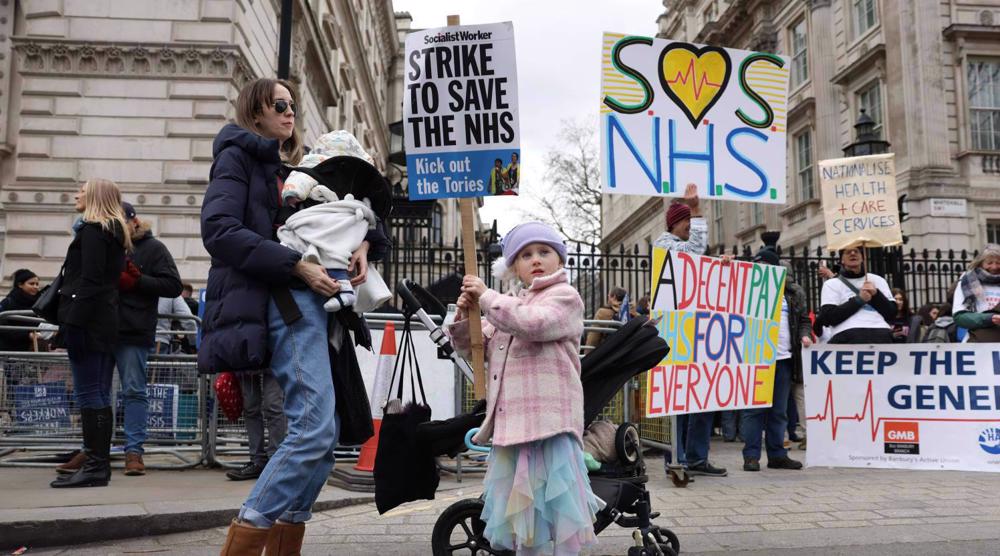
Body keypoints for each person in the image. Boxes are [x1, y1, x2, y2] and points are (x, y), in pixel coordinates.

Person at [202, 78, 388, 554]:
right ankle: (245, 538)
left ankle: (285, 542)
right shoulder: (238, 158)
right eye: (279, 105)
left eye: (292, 106)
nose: (289, 113)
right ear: (255, 112)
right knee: (313, 430)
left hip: (323, 309)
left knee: (324, 442)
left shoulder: (291, 169)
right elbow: (219, 232)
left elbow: (355, 214)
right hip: (289, 301)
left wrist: (366, 244)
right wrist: (298, 267)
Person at [447, 221, 601, 554]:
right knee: (522, 521)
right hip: (514, 427)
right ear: (514, 266)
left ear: (559, 260)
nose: (536, 259)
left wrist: (487, 298)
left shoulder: (565, 297)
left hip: (549, 426)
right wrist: (465, 316)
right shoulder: (510, 302)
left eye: (544, 252)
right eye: (526, 254)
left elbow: (534, 323)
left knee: (551, 514)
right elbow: (476, 344)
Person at [51, 179, 130, 489]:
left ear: (95, 197)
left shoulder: (95, 231)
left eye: (82, 191)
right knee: (96, 394)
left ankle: (96, 465)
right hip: (101, 322)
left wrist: (73, 323)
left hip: (88, 323)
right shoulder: (110, 232)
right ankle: (98, 465)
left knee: (90, 394)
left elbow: (90, 281)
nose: (76, 194)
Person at [653, 183, 726, 477]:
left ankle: (697, 457)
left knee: (702, 396)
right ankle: (678, 458)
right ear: (676, 223)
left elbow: (698, 266)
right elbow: (695, 249)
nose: (690, 226)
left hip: (698, 331)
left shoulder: (682, 249)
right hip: (677, 333)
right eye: (687, 222)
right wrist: (696, 209)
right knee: (680, 398)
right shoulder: (664, 244)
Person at [277, 130, 392, 313]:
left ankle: (344, 290)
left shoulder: (357, 197)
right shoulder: (306, 177)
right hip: (304, 289)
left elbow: (376, 224)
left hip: (332, 296)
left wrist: (365, 244)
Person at [112, 202, 183, 476]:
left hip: (132, 329)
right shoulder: (104, 246)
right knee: (99, 394)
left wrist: (138, 281)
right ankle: (94, 449)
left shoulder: (153, 248)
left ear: (134, 222)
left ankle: (133, 451)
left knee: (133, 390)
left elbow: (173, 285)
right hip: (103, 328)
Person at [740, 247, 810, 471]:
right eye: (758, 267)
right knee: (753, 410)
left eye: (767, 266)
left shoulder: (792, 292)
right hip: (756, 359)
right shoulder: (746, 292)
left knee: (779, 411)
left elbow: (803, 320)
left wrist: (804, 335)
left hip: (784, 358)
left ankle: (777, 454)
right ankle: (751, 456)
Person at [814, 247, 896, 344]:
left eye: (857, 251)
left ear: (862, 257)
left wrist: (876, 295)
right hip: (847, 336)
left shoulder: (878, 280)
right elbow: (829, 317)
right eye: (848, 252)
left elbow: (892, 313)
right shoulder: (831, 284)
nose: (853, 253)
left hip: (881, 334)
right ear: (842, 260)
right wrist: (859, 300)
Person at [226, 370, 287, 481]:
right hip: (246, 359)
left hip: (272, 357)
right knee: (250, 407)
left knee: (273, 406)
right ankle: (257, 461)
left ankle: (274, 461)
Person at [953, 244, 1000, 342]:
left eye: (998, 263)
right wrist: (990, 318)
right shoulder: (968, 280)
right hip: (979, 342)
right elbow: (959, 316)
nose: (994, 267)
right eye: (989, 263)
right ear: (981, 263)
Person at [0, 269, 41, 351]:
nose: (35, 287)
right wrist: (27, 335)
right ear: (20, 285)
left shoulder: (39, 303)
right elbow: (2, 327)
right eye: (31, 284)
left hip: (30, 352)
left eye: (37, 284)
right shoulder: (8, 302)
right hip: (8, 350)